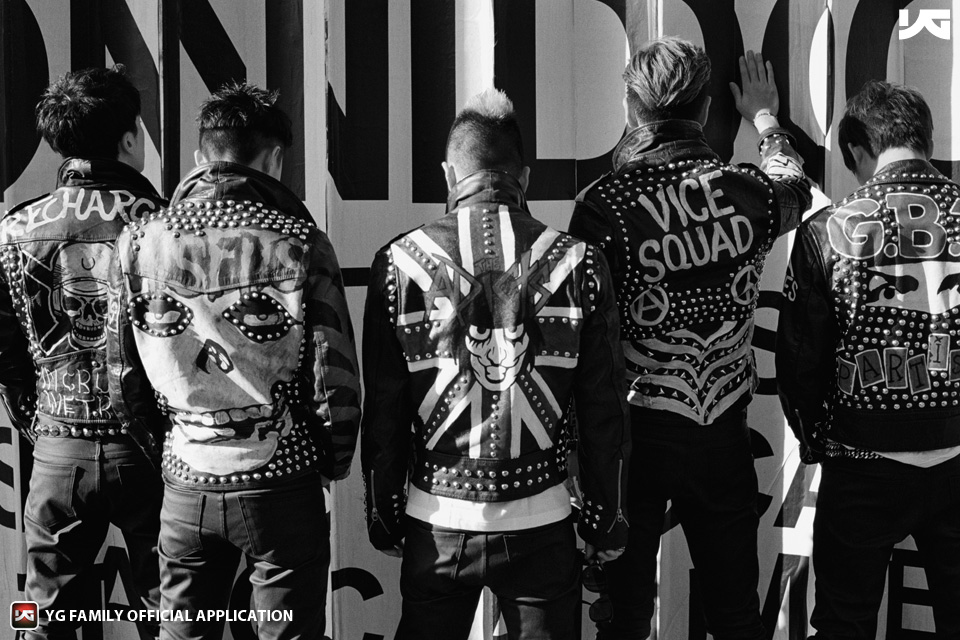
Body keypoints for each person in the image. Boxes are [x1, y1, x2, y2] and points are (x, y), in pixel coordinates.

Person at [361, 88, 631, 640]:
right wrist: (606, 519)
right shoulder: (580, 261)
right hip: (543, 522)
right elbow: (603, 409)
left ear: (448, 174)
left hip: (436, 522)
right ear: (524, 177)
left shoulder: (397, 263)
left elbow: (384, 410)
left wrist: (384, 514)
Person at [569, 38, 812, 640]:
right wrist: (765, 119)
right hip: (722, 430)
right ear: (705, 109)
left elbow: (585, 344)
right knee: (734, 613)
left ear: (631, 108)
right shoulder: (747, 191)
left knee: (625, 617)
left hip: (633, 437)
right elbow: (795, 187)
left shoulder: (602, 205)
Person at [106, 82, 361, 640]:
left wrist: (172, 449)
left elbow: (121, 376)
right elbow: (333, 379)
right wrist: (330, 463)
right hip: (282, 481)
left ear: (202, 156)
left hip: (185, 479)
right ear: (274, 159)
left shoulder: (139, 242)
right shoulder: (302, 242)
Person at [777, 80, 960, 639]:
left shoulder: (827, 229)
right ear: (926, 141)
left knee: (844, 622)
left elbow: (800, 360)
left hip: (862, 455)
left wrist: (817, 439)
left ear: (857, 150)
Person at [0, 66, 165, 639]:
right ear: (130, 137)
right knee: (175, 617)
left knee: (44, 619)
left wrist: (46, 429)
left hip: (57, 449)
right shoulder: (166, 224)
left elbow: (6, 356)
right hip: (154, 452)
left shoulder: (15, 228)